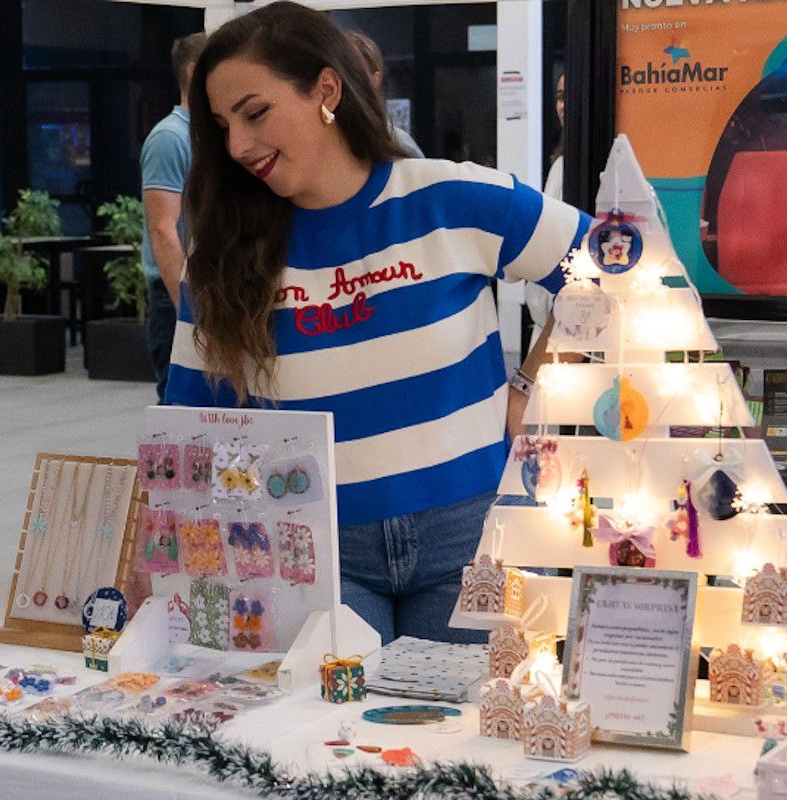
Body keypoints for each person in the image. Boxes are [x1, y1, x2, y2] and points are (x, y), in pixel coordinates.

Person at [165, 1, 590, 644]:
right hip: (302, 546)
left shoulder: (451, 198)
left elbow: (616, 268)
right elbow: (187, 420)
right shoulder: (222, 255)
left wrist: (533, 389)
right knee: (319, 741)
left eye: (255, 113)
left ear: (325, 90)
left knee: (465, 740)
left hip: (471, 538)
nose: (238, 146)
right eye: (222, 125)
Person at [141, 31, 207, 403]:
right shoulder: (170, 139)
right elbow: (162, 228)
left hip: (209, 290)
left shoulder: (209, 138)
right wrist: (189, 311)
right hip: (178, 296)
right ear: (195, 72)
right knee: (180, 413)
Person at [524, 71, 566, 347]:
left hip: (564, 321)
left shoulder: (573, 165)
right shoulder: (561, 162)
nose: (564, 105)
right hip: (548, 317)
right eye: (561, 96)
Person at [344, 30, 424, 159]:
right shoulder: (324, 138)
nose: (346, 81)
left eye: (354, 73)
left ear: (374, 79)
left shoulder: (398, 142)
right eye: (340, 71)